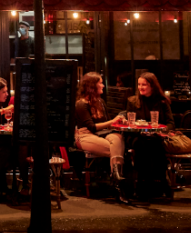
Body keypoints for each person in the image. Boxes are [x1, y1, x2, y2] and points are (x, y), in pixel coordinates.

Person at [74, 72, 128, 201]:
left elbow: (108, 125)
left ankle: (116, 178)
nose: (103, 85)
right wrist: (113, 121)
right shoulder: (81, 104)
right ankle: (118, 181)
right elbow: (92, 127)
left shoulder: (100, 102)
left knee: (118, 138)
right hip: (85, 136)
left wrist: (118, 123)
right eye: (100, 83)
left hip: (102, 134)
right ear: (92, 86)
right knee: (117, 149)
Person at [126, 72, 175, 200]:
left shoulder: (162, 102)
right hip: (138, 136)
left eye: (144, 85)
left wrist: (163, 131)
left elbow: (170, 123)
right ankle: (151, 183)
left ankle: (154, 182)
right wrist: (140, 130)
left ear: (152, 86)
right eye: (139, 84)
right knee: (144, 143)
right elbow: (130, 124)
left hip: (157, 136)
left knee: (154, 143)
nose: (141, 87)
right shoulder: (132, 101)